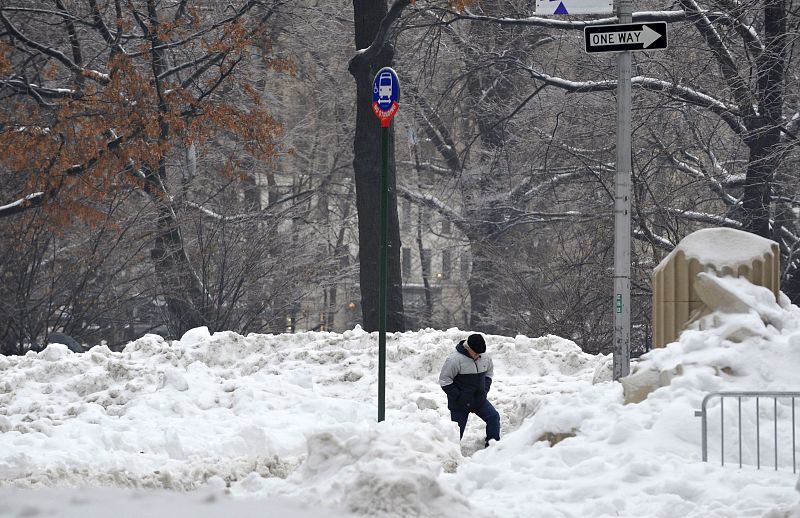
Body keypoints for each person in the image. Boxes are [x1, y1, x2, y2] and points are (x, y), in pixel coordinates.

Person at [438, 333, 500, 447]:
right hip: (459, 404)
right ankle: (451, 455)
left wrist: (484, 391)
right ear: (468, 348)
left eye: (480, 354)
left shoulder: (485, 357)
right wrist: (460, 397)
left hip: (479, 400)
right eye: (476, 353)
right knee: (456, 433)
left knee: (494, 417)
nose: (478, 356)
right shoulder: (454, 360)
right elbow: (444, 380)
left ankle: (493, 448)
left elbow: (489, 374)